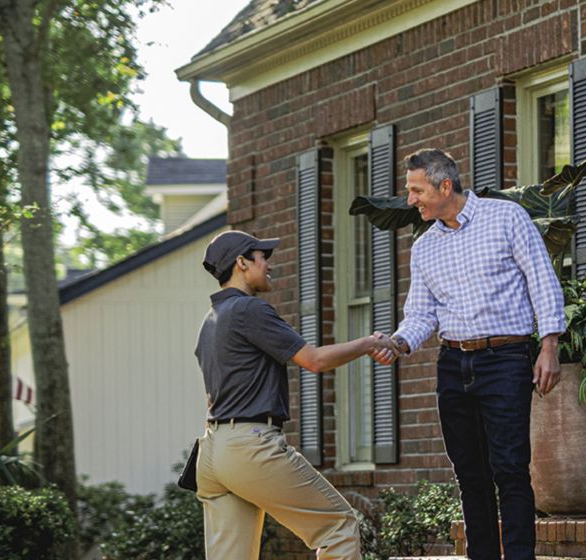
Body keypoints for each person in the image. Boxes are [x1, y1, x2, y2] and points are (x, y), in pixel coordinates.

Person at [374, 148, 565, 560]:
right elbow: (421, 313)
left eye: (416, 190)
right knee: (469, 474)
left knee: (510, 469)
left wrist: (549, 344)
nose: (411, 200)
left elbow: (542, 280)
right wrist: (399, 342)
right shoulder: (425, 248)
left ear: (445, 186)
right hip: (453, 364)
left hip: (506, 358)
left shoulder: (506, 218)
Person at [194, 230, 386, 559]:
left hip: (213, 452)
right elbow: (314, 360)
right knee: (338, 526)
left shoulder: (210, 322)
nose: (269, 264)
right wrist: (369, 343)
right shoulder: (249, 310)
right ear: (242, 263)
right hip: (249, 447)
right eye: (262, 257)